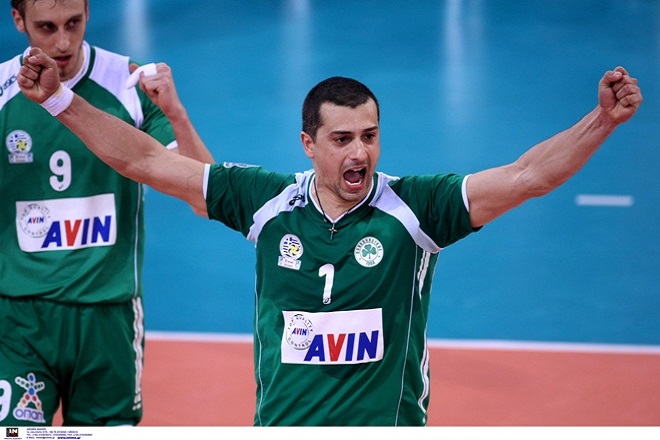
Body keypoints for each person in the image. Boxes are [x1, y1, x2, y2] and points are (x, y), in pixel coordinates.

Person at [17, 47, 642, 426]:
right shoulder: (266, 203)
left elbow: (528, 176)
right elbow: (145, 161)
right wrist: (59, 102)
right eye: (342, 139)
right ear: (308, 145)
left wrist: (602, 120)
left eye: (369, 136)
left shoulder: (416, 209)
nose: (359, 152)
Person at [0, 0, 212, 426]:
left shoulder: (130, 83)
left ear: (88, 12)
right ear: (18, 20)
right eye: (47, 27)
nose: (63, 42)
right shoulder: (3, 91)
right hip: (18, 317)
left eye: (73, 22)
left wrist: (176, 114)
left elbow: (205, 197)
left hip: (108, 316)